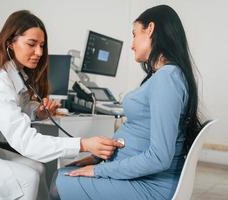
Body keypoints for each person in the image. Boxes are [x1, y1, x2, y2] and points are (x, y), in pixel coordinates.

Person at [0, 10, 124, 200]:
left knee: (37, 168)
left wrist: (36, 112)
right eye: (31, 44)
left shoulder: (13, 76)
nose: (39, 52)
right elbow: (27, 143)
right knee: (27, 179)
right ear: (10, 43)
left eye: (41, 45)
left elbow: (12, 110)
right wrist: (83, 143)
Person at [51, 5, 202, 200]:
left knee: (58, 183)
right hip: (142, 177)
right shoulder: (165, 77)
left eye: (134, 34)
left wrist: (99, 171)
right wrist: (99, 158)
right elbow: (144, 131)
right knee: (64, 173)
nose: (131, 44)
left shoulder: (167, 78)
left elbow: (159, 157)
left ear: (150, 29)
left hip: (150, 184)